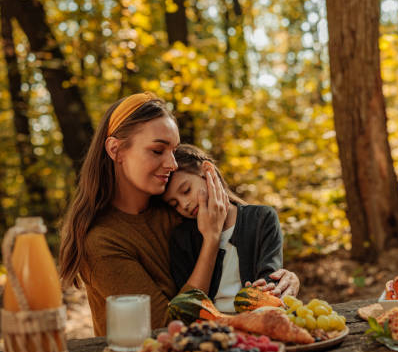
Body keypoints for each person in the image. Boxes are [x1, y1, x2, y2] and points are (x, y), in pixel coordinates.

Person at [58, 92, 299, 336]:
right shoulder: (101, 241)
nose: (172, 164)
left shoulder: (176, 210)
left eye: (173, 150)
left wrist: (284, 281)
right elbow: (166, 326)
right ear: (116, 149)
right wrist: (211, 241)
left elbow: (241, 239)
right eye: (157, 150)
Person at [162, 144, 294, 313]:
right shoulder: (182, 238)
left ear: (207, 171)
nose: (184, 204)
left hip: (258, 319)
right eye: (175, 204)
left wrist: (265, 289)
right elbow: (186, 303)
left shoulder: (261, 218)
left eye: (186, 190)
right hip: (208, 328)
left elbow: (272, 280)